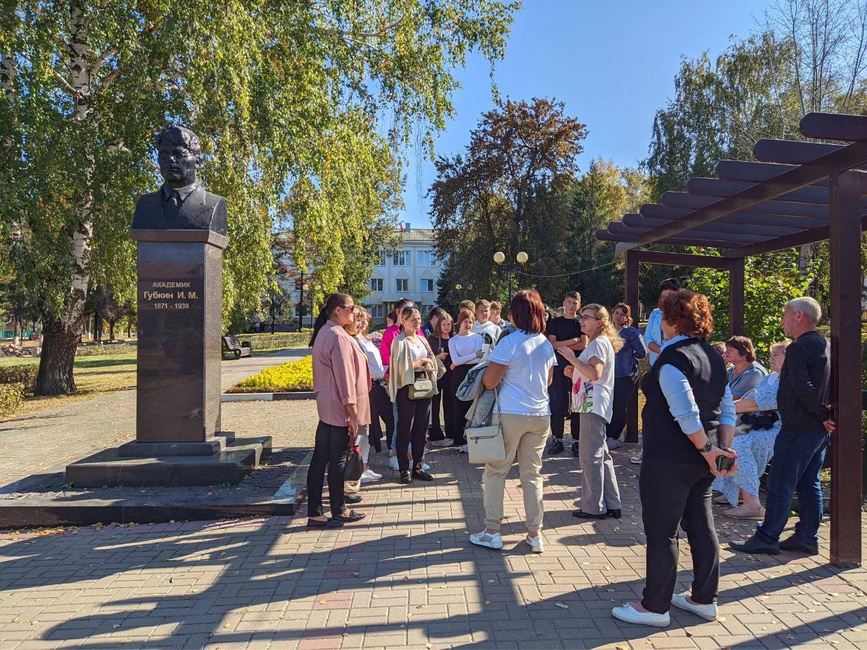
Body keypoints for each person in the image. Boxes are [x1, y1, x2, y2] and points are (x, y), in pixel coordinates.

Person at [612, 290, 737, 627]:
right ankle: (703, 598)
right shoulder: (712, 356)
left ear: (670, 320)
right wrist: (720, 449)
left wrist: (710, 451)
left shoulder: (672, 359)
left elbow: (686, 413)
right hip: (703, 460)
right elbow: (726, 407)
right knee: (701, 524)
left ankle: (654, 606)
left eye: (662, 318)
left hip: (670, 459)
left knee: (662, 531)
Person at [730, 297, 832, 557]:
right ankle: (807, 537)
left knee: (779, 483)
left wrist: (821, 414)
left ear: (799, 316)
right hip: (817, 431)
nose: (783, 320)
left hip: (798, 427)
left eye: (786, 315)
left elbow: (801, 386)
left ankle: (767, 537)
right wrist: (825, 416)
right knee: (809, 483)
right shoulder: (824, 344)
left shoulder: (798, 348)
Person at [469, 290, 557, 554]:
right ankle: (534, 533)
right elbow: (550, 381)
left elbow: (490, 381)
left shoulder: (509, 342)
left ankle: (492, 531)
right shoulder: (544, 343)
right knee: (532, 474)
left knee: (496, 472)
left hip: (510, 412)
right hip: (541, 414)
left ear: (515, 314)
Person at [307, 293, 369, 528]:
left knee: (320, 459)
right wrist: (352, 412)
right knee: (337, 461)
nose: (353, 312)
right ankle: (339, 510)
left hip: (327, 407)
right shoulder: (337, 336)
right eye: (350, 308)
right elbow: (345, 377)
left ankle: (315, 512)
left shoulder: (326, 331)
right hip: (339, 408)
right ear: (337, 310)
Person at [557, 304, 624, 520]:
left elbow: (595, 373)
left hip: (591, 406)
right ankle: (612, 503)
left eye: (586, 317)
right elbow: (592, 374)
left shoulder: (597, 344)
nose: (581, 321)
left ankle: (593, 507)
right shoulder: (600, 343)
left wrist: (572, 359)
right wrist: (574, 372)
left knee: (590, 457)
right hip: (596, 404)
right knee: (601, 455)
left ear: (600, 322)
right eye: (581, 317)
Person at [714, 341, 789, 519]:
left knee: (738, 444)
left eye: (776, 355)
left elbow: (758, 402)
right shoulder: (771, 377)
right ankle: (733, 491)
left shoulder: (787, 380)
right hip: (759, 424)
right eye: (771, 354)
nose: (771, 358)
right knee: (728, 439)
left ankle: (752, 504)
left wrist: (726, 408)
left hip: (779, 428)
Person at [132, 125, 227, 235]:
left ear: (197, 161)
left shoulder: (213, 204)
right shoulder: (145, 205)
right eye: (164, 154)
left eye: (178, 154)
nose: (170, 159)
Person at [632, 278, 682, 466]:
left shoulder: (683, 315)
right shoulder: (654, 314)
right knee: (652, 410)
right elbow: (649, 338)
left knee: (672, 411)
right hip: (656, 366)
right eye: (663, 296)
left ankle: (671, 452)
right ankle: (647, 451)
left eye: (669, 296)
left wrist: (669, 351)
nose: (665, 300)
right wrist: (662, 350)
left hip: (676, 367)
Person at [388, 306, 438, 484]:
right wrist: (420, 362)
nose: (417, 322)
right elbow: (400, 368)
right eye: (413, 319)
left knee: (422, 428)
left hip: (424, 386)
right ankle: (403, 468)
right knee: (405, 429)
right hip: (406, 388)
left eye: (418, 318)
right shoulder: (400, 341)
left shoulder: (422, 340)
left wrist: (429, 362)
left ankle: (418, 465)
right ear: (403, 321)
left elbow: (431, 358)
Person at [546, 291, 587, 455]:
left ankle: (577, 440)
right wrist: (573, 341)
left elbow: (584, 345)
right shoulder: (555, 322)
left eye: (575, 303)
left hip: (578, 367)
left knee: (577, 403)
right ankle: (557, 439)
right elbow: (552, 345)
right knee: (557, 403)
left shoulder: (581, 322)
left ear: (579, 304)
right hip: (558, 367)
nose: (572, 306)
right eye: (569, 302)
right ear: (564, 302)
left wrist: (564, 345)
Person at [351, 306, 387, 482]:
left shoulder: (364, 338)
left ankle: (363, 466)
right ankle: (357, 470)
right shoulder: (353, 341)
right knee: (360, 432)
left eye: (365, 319)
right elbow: (361, 368)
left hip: (372, 387)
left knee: (366, 432)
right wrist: (380, 372)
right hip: (365, 386)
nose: (363, 323)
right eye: (359, 319)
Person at [608, 303, 647, 449]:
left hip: (625, 374)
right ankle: (606, 434)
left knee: (619, 406)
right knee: (608, 405)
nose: (618, 316)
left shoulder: (631, 332)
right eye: (616, 313)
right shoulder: (607, 332)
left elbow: (642, 352)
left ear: (627, 317)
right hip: (608, 375)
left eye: (622, 314)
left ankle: (614, 436)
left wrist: (629, 359)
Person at [449, 309, 485, 451]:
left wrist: (472, 356)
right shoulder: (453, 340)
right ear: (460, 322)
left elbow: (479, 356)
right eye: (466, 322)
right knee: (458, 406)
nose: (468, 325)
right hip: (458, 374)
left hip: (473, 373)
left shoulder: (477, 337)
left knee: (473, 405)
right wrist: (473, 354)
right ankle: (459, 438)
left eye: (471, 322)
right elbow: (456, 361)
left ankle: (472, 437)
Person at [428, 312, 455, 447]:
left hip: (450, 375)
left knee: (449, 406)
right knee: (435, 406)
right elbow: (428, 355)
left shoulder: (454, 339)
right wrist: (437, 357)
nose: (446, 327)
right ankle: (435, 434)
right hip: (437, 376)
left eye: (449, 324)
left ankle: (451, 433)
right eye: (443, 324)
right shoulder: (432, 338)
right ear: (439, 325)